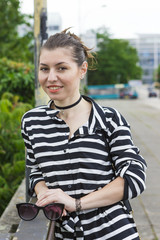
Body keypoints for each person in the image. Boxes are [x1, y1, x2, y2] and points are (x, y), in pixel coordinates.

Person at [21, 28, 147, 239]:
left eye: (62, 68)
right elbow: (35, 171)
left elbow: (135, 177)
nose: (51, 77)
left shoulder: (109, 119)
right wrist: (44, 193)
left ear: (82, 69)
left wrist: (75, 204)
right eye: (44, 69)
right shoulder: (31, 122)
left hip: (113, 232)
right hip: (63, 233)